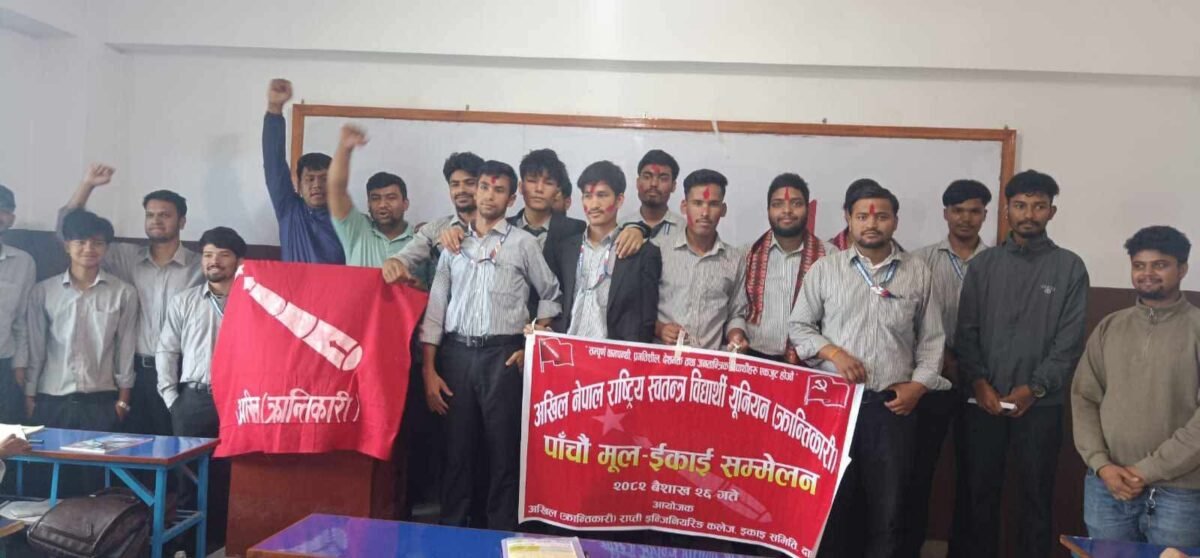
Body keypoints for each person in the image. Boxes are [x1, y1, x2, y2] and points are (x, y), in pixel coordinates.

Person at [789, 180, 946, 558]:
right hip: (834, 410)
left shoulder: (918, 273)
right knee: (833, 508)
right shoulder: (826, 270)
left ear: (895, 221)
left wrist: (918, 387)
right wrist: (833, 353)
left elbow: (932, 342)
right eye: (862, 216)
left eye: (881, 216)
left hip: (892, 409)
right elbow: (799, 327)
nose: (871, 224)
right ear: (848, 218)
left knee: (888, 511)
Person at [953, 170, 1089, 558]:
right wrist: (979, 383)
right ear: (1007, 210)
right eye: (1020, 205)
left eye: (1039, 206)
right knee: (978, 497)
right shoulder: (984, 265)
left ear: (1052, 212)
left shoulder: (1069, 267)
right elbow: (967, 332)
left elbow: (1069, 343)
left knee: (1036, 498)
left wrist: (1035, 388)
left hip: (1041, 405)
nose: (1029, 214)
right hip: (983, 402)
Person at [418, 161, 561, 530]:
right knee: (456, 451)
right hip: (456, 357)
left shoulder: (524, 243)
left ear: (511, 199)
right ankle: (451, 533)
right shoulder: (452, 244)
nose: (488, 195)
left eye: (499, 190)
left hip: (504, 357)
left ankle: (500, 536)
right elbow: (436, 310)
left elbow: (551, 295)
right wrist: (429, 369)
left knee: (503, 453)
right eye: (483, 187)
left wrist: (534, 337)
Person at [1072, 226, 1200, 547]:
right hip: (1107, 487)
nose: (1147, 274)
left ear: (1183, 269)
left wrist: (1146, 470)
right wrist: (1102, 465)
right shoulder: (1110, 326)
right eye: (1139, 265)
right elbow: (1084, 398)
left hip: (1180, 492)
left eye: (1160, 265)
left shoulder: (1196, 329)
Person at [62, 163, 203, 436]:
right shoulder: (125, 257)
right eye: (150, 215)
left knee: (181, 447)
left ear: (182, 222)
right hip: (137, 373)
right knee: (135, 447)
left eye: (165, 215)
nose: (156, 220)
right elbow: (71, 228)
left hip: (184, 372)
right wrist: (87, 185)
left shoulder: (201, 265)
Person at [903, 179, 991, 558]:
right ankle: (909, 549)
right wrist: (945, 359)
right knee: (918, 472)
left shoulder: (997, 263)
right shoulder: (919, 261)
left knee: (974, 478)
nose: (965, 218)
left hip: (981, 382)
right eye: (958, 211)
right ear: (945, 214)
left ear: (985, 215)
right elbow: (909, 321)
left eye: (974, 211)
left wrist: (972, 368)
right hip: (931, 381)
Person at [156, 226, 245, 547]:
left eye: (223, 255)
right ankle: (187, 547)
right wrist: (172, 398)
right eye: (208, 255)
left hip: (240, 402)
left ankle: (222, 546)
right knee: (188, 478)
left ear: (239, 261)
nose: (214, 261)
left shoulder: (254, 301)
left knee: (231, 476)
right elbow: (167, 350)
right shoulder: (185, 301)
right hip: (194, 400)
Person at [26, 210, 137, 431]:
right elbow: (35, 347)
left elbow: (125, 349)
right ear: (67, 246)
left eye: (97, 243)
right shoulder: (43, 291)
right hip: (52, 398)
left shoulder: (124, 293)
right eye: (80, 242)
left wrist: (123, 401)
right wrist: (29, 396)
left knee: (101, 456)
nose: (89, 249)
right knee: (48, 455)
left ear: (106, 248)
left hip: (102, 400)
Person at [545, 160, 662, 342]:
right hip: (568, 350)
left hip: (613, 354)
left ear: (619, 200)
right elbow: (556, 301)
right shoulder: (565, 248)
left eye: (602, 195)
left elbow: (646, 320)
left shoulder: (642, 253)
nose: (594, 205)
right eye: (587, 196)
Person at [653, 169, 749, 352]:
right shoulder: (659, 250)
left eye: (713, 204)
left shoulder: (734, 259)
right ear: (684, 206)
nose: (705, 212)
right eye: (697, 203)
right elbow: (639, 308)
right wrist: (660, 329)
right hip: (662, 361)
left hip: (709, 364)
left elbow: (736, 313)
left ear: (723, 209)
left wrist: (736, 335)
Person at [742, 173, 829, 363]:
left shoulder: (830, 257)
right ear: (768, 210)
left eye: (796, 203)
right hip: (755, 359)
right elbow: (737, 310)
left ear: (808, 209)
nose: (787, 210)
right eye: (778, 204)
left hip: (810, 364)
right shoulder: (748, 254)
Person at [263, 78, 345, 264]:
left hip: (333, 284)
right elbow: (273, 164)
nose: (317, 185)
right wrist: (274, 108)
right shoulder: (289, 210)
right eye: (309, 179)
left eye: (324, 179)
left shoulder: (347, 220)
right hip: (293, 284)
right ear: (298, 185)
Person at [383, 151, 484, 288]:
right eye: (455, 184)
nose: (461, 190)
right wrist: (395, 262)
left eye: (469, 183)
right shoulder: (433, 229)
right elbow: (407, 256)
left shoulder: (500, 229)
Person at [326, 124, 419, 269]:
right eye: (375, 198)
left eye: (391, 197)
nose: (382, 204)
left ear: (405, 204)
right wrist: (345, 148)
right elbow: (336, 189)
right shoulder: (356, 229)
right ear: (368, 204)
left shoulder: (420, 240)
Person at [0, 185, 36, 425]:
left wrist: (20, 367)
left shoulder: (23, 262)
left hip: (3, 370)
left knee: (6, 439)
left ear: (11, 218)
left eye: (4, 210)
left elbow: (22, 321)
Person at [620, 149, 686, 239]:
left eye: (663, 179)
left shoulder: (685, 230)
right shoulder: (622, 227)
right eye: (647, 177)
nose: (654, 184)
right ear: (638, 183)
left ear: (673, 186)